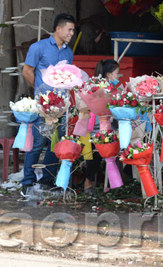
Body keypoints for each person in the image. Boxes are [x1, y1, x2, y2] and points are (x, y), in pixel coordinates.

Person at [21, 13, 76, 196]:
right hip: (43, 105)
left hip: (62, 106)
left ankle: (47, 179)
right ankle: (27, 182)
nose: (72, 34)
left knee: (57, 144)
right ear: (58, 29)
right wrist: (41, 92)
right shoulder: (39, 47)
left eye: (73, 30)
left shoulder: (68, 52)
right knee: (38, 143)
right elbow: (27, 71)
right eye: (69, 30)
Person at [83, 59, 120, 195]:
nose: (118, 76)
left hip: (110, 126)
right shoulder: (97, 88)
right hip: (96, 127)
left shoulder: (113, 89)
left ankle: (116, 180)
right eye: (117, 73)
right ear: (109, 75)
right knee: (98, 146)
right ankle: (89, 180)